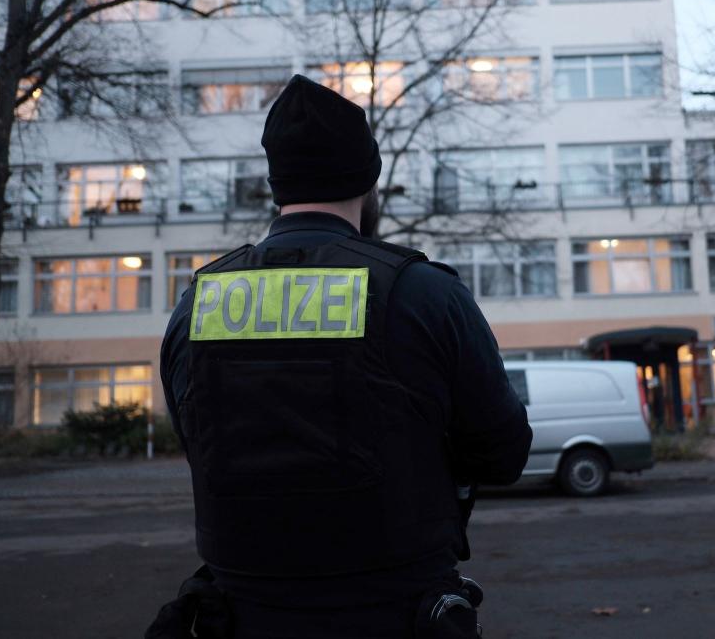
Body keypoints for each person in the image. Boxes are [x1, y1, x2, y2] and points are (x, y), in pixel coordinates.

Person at [155, 75, 533, 638]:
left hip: (240, 615)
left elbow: (198, 445)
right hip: (396, 612)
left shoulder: (197, 304)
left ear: (276, 185)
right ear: (368, 181)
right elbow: (503, 453)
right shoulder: (422, 293)